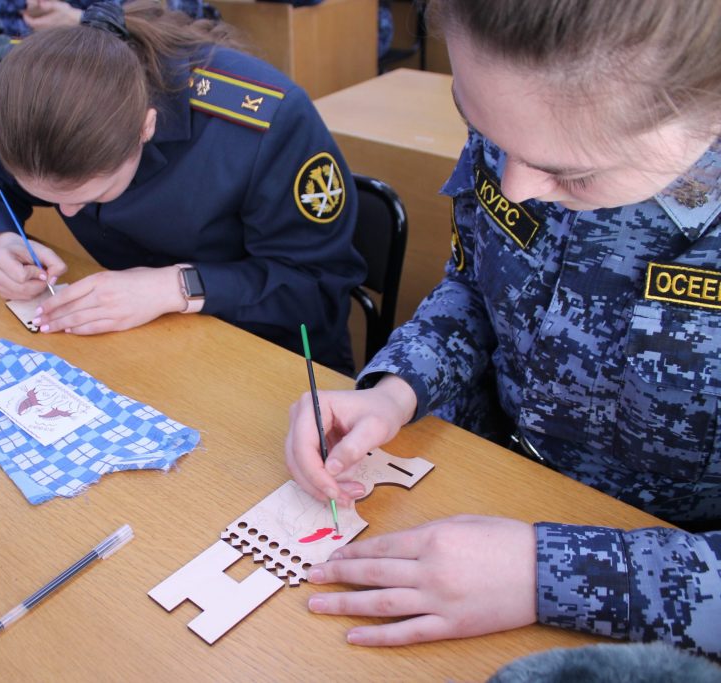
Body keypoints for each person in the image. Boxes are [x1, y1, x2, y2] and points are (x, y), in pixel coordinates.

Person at [285, 0, 721, 660]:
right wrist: (397, 389)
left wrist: (547, 576)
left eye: (575, 173)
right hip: (480, 495)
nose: (514, 186)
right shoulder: (529, 119)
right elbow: (477, 287)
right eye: (477, 122)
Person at [0, 0, 365, 374]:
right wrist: (0, 241)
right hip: (143, 342)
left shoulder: (263, 123)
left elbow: (316, 286)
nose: (67, 213)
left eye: (89, 196)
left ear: (146, 127)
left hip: (269, 352)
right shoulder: (38, 97)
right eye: (50, 198)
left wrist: (174, 288)